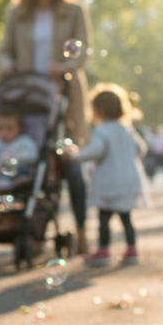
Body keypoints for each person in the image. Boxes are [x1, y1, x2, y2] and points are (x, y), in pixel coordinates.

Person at [0, 0, 92, 253]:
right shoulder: (17, 13)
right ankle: (21, 225)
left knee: (70, 164)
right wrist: (6, 64)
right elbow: (4, 49)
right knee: (22, 162)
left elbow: (82, 51)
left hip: (62, 96)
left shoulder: (73, 10)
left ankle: (80, 228)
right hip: (26, 99)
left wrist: (65, 68)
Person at [65, 85, 148, 267]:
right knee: (126, 218)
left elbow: (95, 151)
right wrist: (125, 159)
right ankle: (132, 250)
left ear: (99, 110)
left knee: (104, 218)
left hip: (110, 183)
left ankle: (103, 252)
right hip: (128, 181)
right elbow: (141, 149)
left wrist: (73, 155)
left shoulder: (102, 131)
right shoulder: (127, 129)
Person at [0, 106, 39, 192]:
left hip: (17, 175)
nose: (4, 133)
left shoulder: (24, 142)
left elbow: (33, 156)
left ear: (19, 129)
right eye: (0, 128)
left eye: (9, 129)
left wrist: (17, 157)